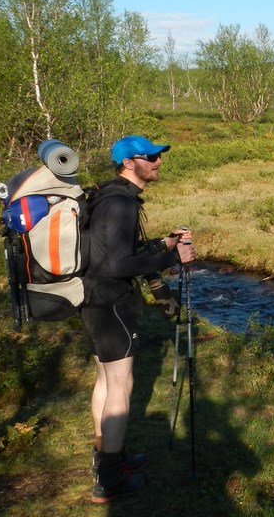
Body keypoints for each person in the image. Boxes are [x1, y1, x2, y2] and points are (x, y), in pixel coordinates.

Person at [82, 134, 195, 503]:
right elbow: (120, 265)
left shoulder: (108, 196)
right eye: (150, 157)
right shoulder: (121, 204)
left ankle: (108, 456)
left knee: (105, 380)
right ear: (129, 163)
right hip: (112, 302)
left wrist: (164, 243)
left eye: (159, 156)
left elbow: (116, 252)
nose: (158, 162)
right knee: (120, 385)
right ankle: (110, 479)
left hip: (93, 300)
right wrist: (174, 258)